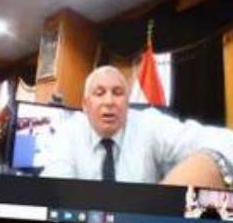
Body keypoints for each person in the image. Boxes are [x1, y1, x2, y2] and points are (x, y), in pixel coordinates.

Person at [40, 65, 233, 187]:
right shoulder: (67, 132)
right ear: (85, 105)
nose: (109, 101)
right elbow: (55, 189)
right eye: (99, 93)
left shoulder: (149, 123)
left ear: (127, 103)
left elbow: (226, 141)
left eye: (118, 93)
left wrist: (204, 164)